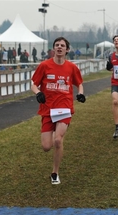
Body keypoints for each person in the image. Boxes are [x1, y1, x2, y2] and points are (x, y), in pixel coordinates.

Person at [31, 37, 86, 185]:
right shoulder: (44, 65)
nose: (59, 47)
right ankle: (57, 134)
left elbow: (79, 83)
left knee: (57, 140)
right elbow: (34, 84)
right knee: (46, 147)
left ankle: (55, 173)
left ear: (67, 49)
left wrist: (80, 93)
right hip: (48, 109)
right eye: (57, 45)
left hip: (64, 108)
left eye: (62, 45)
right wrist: (38, 93)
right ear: (53, 49)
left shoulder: (72, 68)